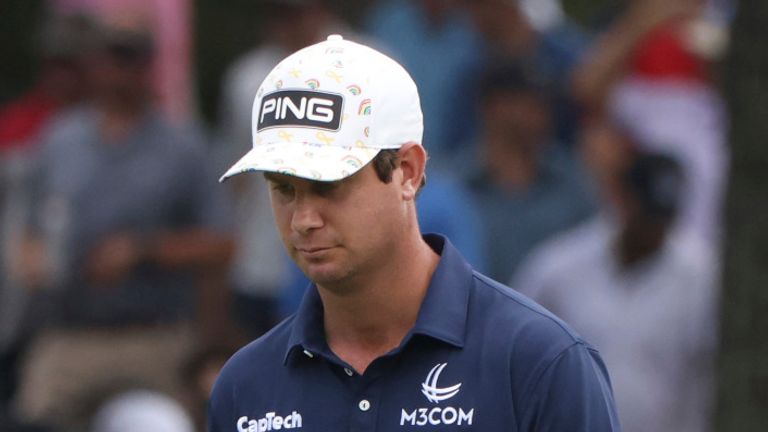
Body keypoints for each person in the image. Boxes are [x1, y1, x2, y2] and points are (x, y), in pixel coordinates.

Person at [208, 34, 620, 431]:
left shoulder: (539, 361)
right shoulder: (245, 386)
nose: (303, 219)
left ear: (408, 171)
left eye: (328, 186)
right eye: (283, 189)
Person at [13, 19, 233, 430]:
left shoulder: (182, 146)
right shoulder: (61, 139)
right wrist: (30, 258)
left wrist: (143, 249)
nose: (116, 70)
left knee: (163, 422)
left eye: (128, 58)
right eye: (108, 57)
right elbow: (30, 228)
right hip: (69, 333)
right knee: (30, 416)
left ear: (147, 66)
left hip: (153, 337)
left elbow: (221, 243)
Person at [512, 145, 719, 431]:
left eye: (663, 218)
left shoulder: (702, 276)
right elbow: (512, 344)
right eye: (647, 215)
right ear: (624, 199)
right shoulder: (560, 268)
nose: (654, 229)